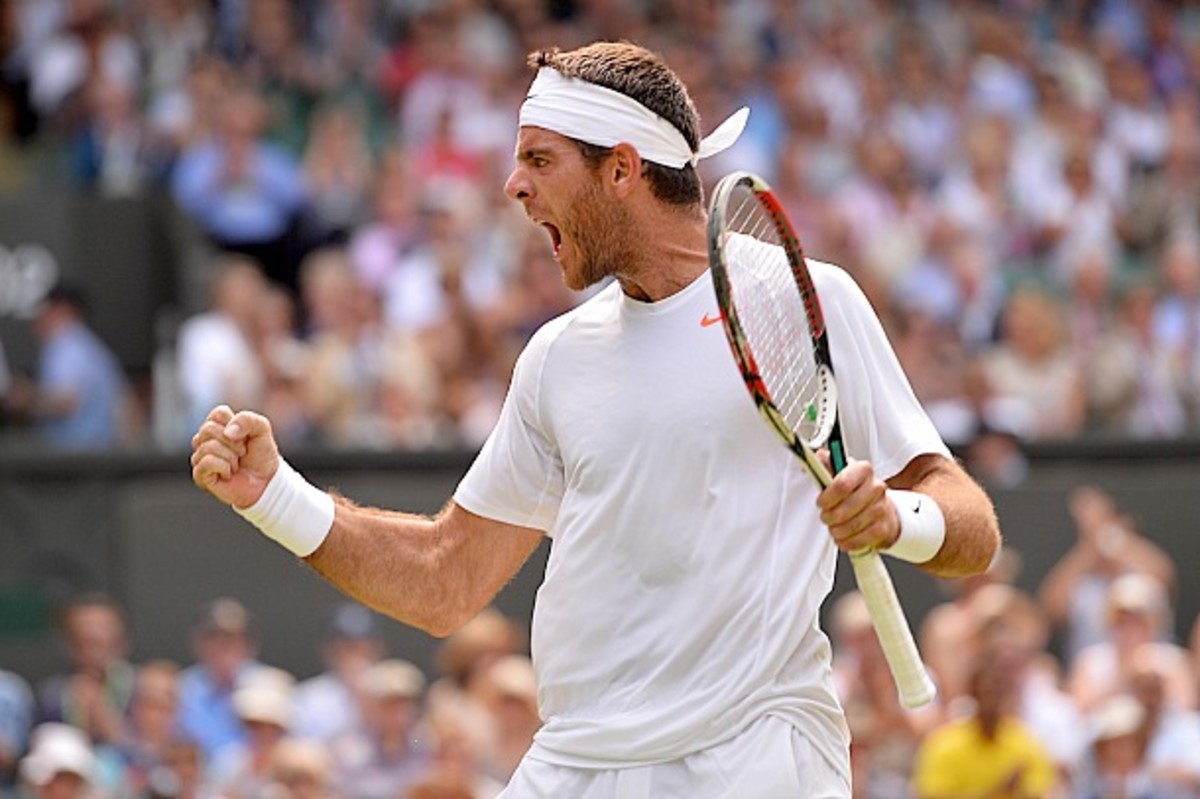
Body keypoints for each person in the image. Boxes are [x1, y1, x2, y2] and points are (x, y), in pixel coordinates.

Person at [191, 41, 1000, 798]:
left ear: (621, 169)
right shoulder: (556, 358)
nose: (513, 186)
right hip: (576, 763)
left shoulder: (804, 298)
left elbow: (971, 525)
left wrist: (899, 517)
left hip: (754, 757)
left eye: (539, 160)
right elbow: (445, 578)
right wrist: (273, 494)